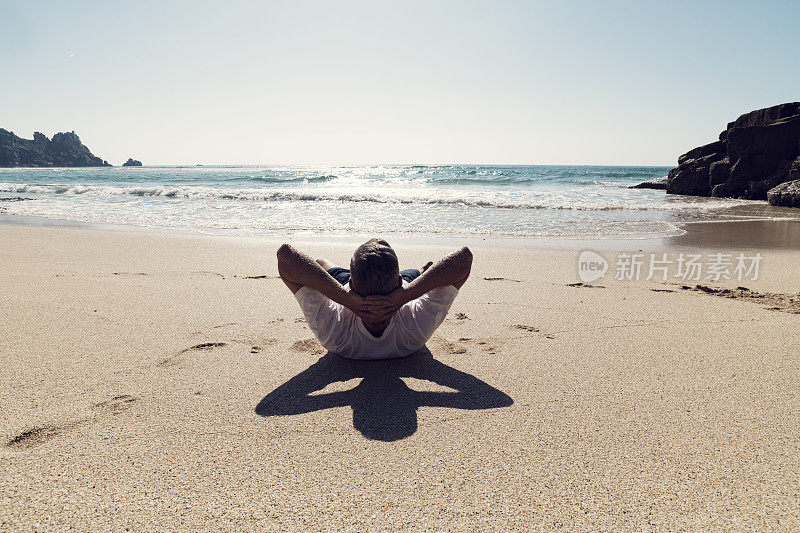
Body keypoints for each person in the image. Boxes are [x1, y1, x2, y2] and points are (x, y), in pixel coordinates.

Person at [277, 239, 472, 359]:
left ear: (351, 285)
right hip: (396, 287)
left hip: (351, 286)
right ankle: (419, 272)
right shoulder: (414, 331)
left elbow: (285, 255)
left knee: (321, 264)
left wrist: (345, 298)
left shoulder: (335, 334)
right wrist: (406, 295)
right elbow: (464, 258)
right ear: (399, 283)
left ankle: (418, 272)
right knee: (415, 275)